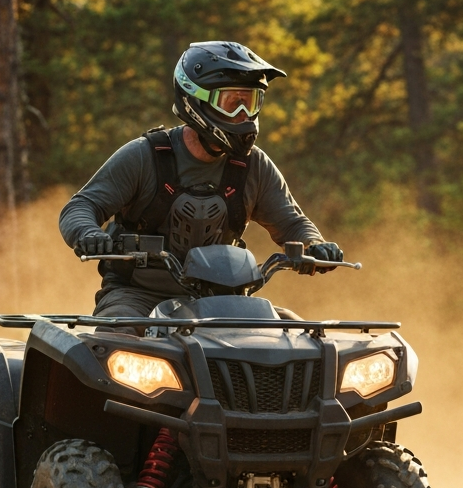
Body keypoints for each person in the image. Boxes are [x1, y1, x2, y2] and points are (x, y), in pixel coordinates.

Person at [59, 40, 344, 319]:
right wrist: (89, 234)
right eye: (232, 103)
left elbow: (291, 223)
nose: (243, 115)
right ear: (194, 100)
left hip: (226, 302)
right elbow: (81, 207)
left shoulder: (252, 165)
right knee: (117, 343)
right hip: (138, 298)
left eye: (251, 102)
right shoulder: (146, 156)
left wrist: (313, 244)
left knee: (299, 340)